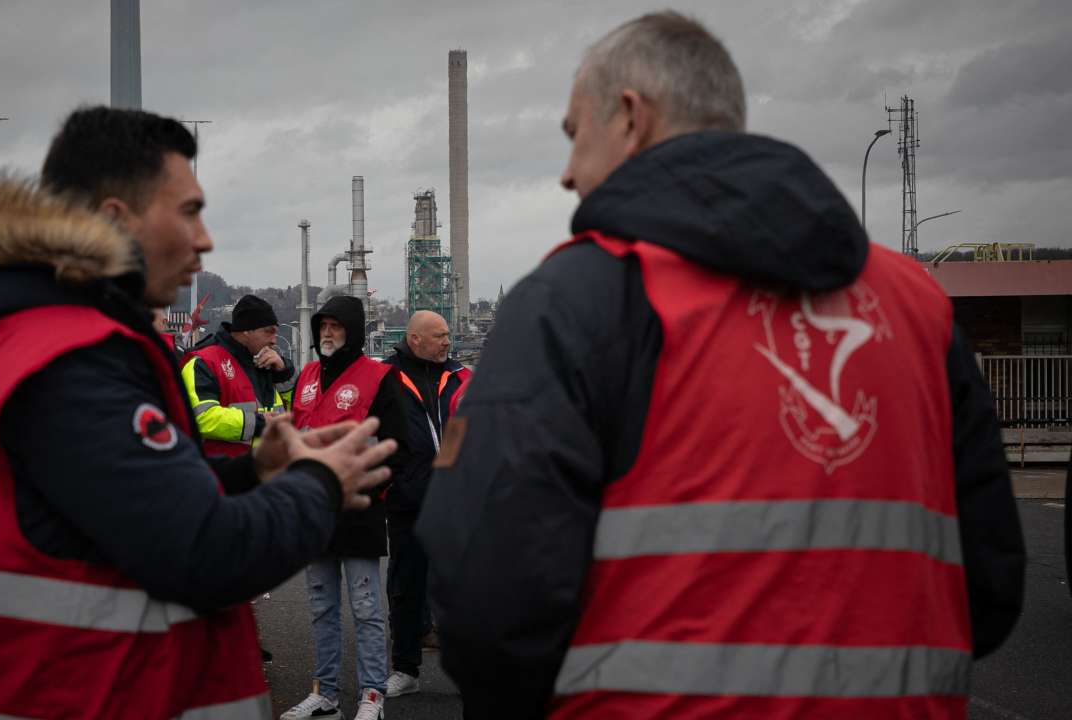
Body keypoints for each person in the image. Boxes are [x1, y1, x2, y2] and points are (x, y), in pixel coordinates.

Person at [416, 12, 1026, 719]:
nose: (566, 172)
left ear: (630, 116)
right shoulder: (919, 308)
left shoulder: (580, 300)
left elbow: (487, 595)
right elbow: (989, 586)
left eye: (573, 134)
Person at [0, 106, 396, 718]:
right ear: (113, 218)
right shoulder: (74, 361)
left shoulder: (2, 340)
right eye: (188, 212)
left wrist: (253, 469)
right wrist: (320, 484)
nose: (204, 241)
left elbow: (111, 501)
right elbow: (206, 554)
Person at [283, 295, 409, 720]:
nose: (327, 333)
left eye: (335, 326)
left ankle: (372, 693)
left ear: (352, 331)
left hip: (359, 509)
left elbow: (398, 446)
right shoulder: (307, 376)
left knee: (367, 607)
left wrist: (372, 484)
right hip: (314, 512)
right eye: (323, 326)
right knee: (321, 607)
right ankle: (325, 693)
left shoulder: (379, 377)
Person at [380, 310, 468, 697]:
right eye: (440, 336)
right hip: (406, 498)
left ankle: (471, 670)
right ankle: (405, 668)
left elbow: (467, 426)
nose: (448, 341)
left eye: (448, 335)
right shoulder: (386, 377)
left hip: (452, 498)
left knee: (463, 587)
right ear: (415, 340)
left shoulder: (460, 376)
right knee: (407, 584)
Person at [183, 294, 296, 458]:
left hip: (266, 472)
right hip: (222, 474)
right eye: (268, 332)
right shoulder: (204, 362)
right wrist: (260, 423)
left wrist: (284, 374)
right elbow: (203, 418)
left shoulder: (268, 364)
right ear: (247, 331)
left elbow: (297, 412)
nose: (274, 341)